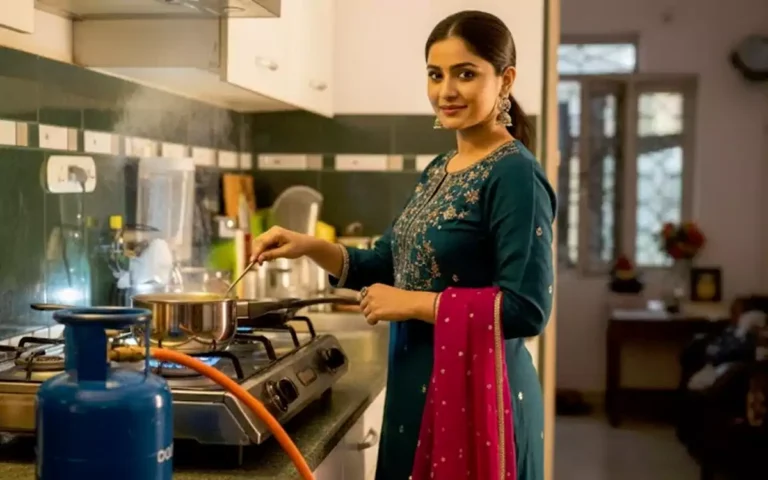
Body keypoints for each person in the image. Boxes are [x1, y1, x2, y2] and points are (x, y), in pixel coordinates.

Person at [250, 10, 556, 480]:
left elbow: (526, 309)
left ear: (505, 79)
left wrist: (412, 304)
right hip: (418, 385)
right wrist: (307, 245)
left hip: (481, 401)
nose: (446, 90)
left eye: (465, 73)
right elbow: (384, 262)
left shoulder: (514, 173)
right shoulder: (439, 168)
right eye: (436, 75)